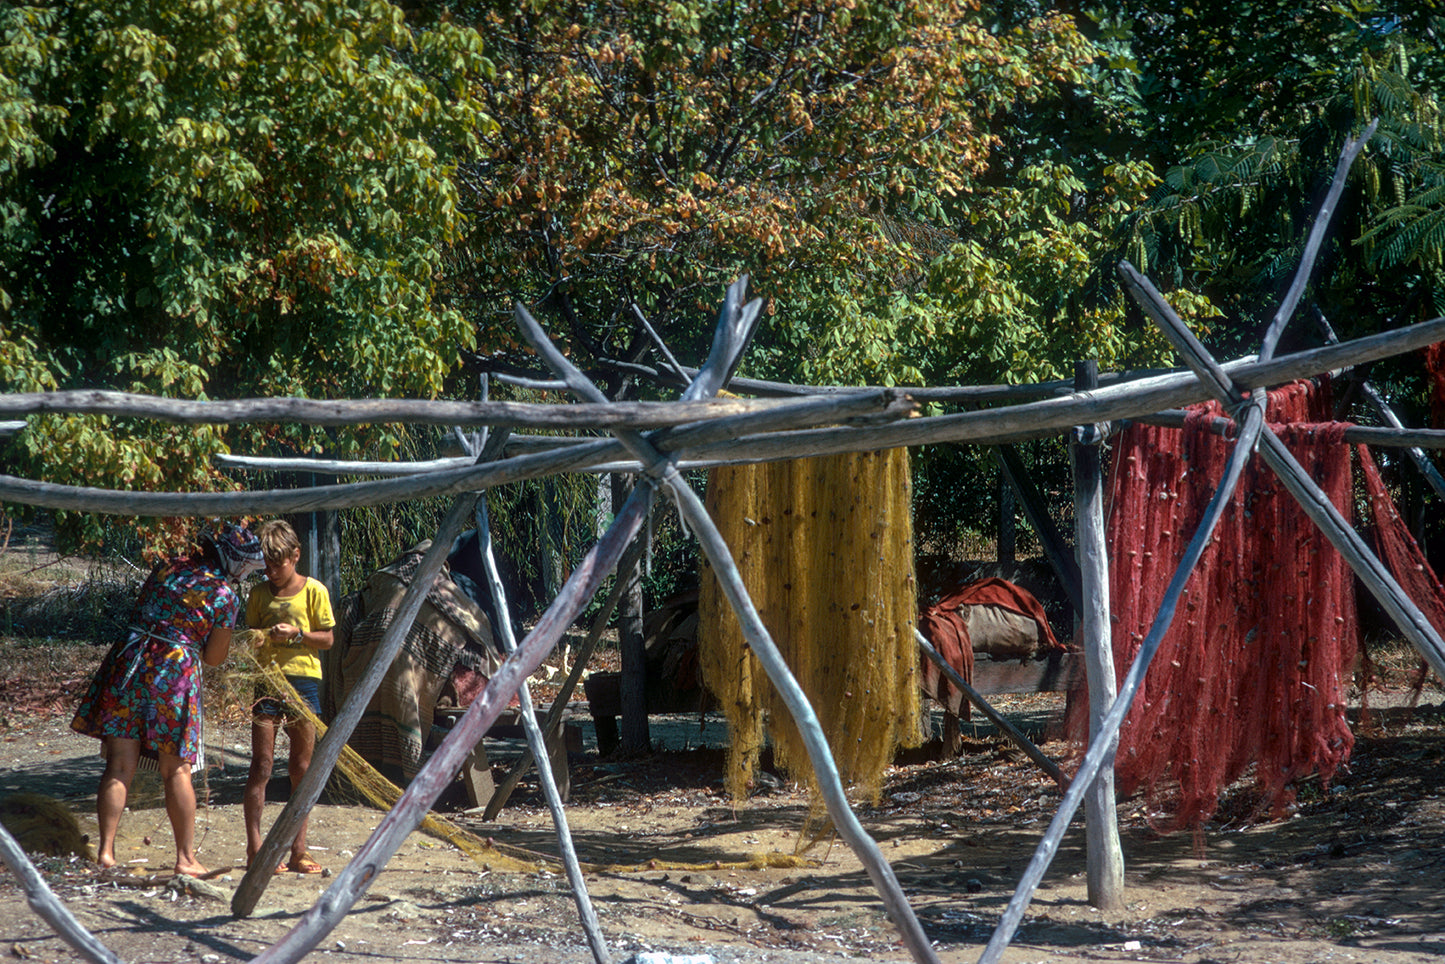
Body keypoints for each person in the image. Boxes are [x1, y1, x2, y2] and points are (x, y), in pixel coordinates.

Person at [72, 523, 263, 877]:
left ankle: (106, 852)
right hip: (173, 676)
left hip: (129, 663)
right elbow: (215, 658)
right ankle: (185, 859)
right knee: (176, 769)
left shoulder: (168, 567)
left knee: (118, 765)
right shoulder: (223, 595)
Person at [244, 519, 334, 874]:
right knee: (262, 765)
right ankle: (256, 849)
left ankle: (299, 850)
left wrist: (296, 635)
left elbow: (326, 639)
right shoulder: (258, 595)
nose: (271, 572)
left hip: (304, 683)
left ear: (295, 556)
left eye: (277, 564)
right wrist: (262, 636)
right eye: (265, 566)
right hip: (266, 683)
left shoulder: (315, 591)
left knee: (301, 769)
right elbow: (250, 636)